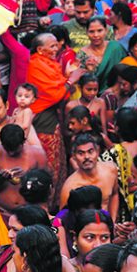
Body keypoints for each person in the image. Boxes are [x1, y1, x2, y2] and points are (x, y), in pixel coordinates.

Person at [26, 33, 86, 186]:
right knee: (49, 163)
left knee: (57, 161)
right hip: (43, 119)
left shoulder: (48, 62)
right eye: (52, 46)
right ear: (40, 49)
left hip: (53, 116)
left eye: (56, 45)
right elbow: (52, 94)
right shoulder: (36, 65)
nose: (56, 48)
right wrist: (71, 80)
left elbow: (58, 85)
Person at [61, 134, 119, 217]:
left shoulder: (111, 170)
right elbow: (62, 217)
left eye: (90, 151)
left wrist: (112, 222)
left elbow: (114, 194)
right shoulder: (70, 187)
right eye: (81, 153)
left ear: (97, 151)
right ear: (74, 156)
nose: (87, 157)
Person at [78, 16, 127, 90]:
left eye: (99, 30)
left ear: (106, 30)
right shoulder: (82, 54)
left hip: (119, 92)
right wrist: (90, 71)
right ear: (86, 32)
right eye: (91, 31)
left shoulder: (115, 48)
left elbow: (127, 70)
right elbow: (80, 82)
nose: (96, 35)